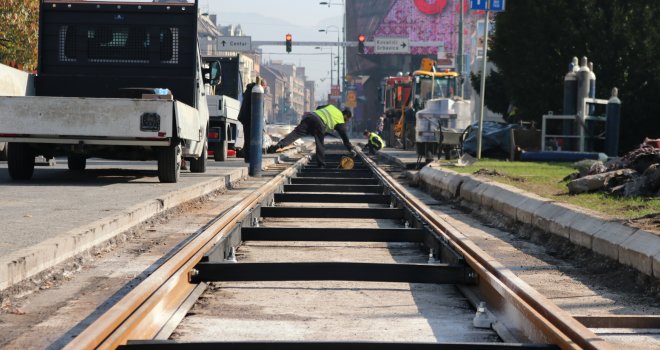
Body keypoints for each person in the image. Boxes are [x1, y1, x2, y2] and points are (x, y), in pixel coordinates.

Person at [267, 104, 355, 167]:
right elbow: (344, 137)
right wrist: (350, 148)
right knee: (320, 143)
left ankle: (277, 146)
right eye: (347, 119)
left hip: (310, 116)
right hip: (319, 123)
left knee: (295, 134)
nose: (346, 121)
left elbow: (319, 107)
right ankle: (321, 164)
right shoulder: (340, 119)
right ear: (345, 115)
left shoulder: (332, 107)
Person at [237, 77, 267, 163]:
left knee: (248, 138)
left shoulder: (250, 89)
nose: (264, 89)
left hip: (246, 117)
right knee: (251, 138)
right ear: (262, 85)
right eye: (264, 87)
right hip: (250, 118)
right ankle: (250, 158)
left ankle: (248, 158)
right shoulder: (255, 90)